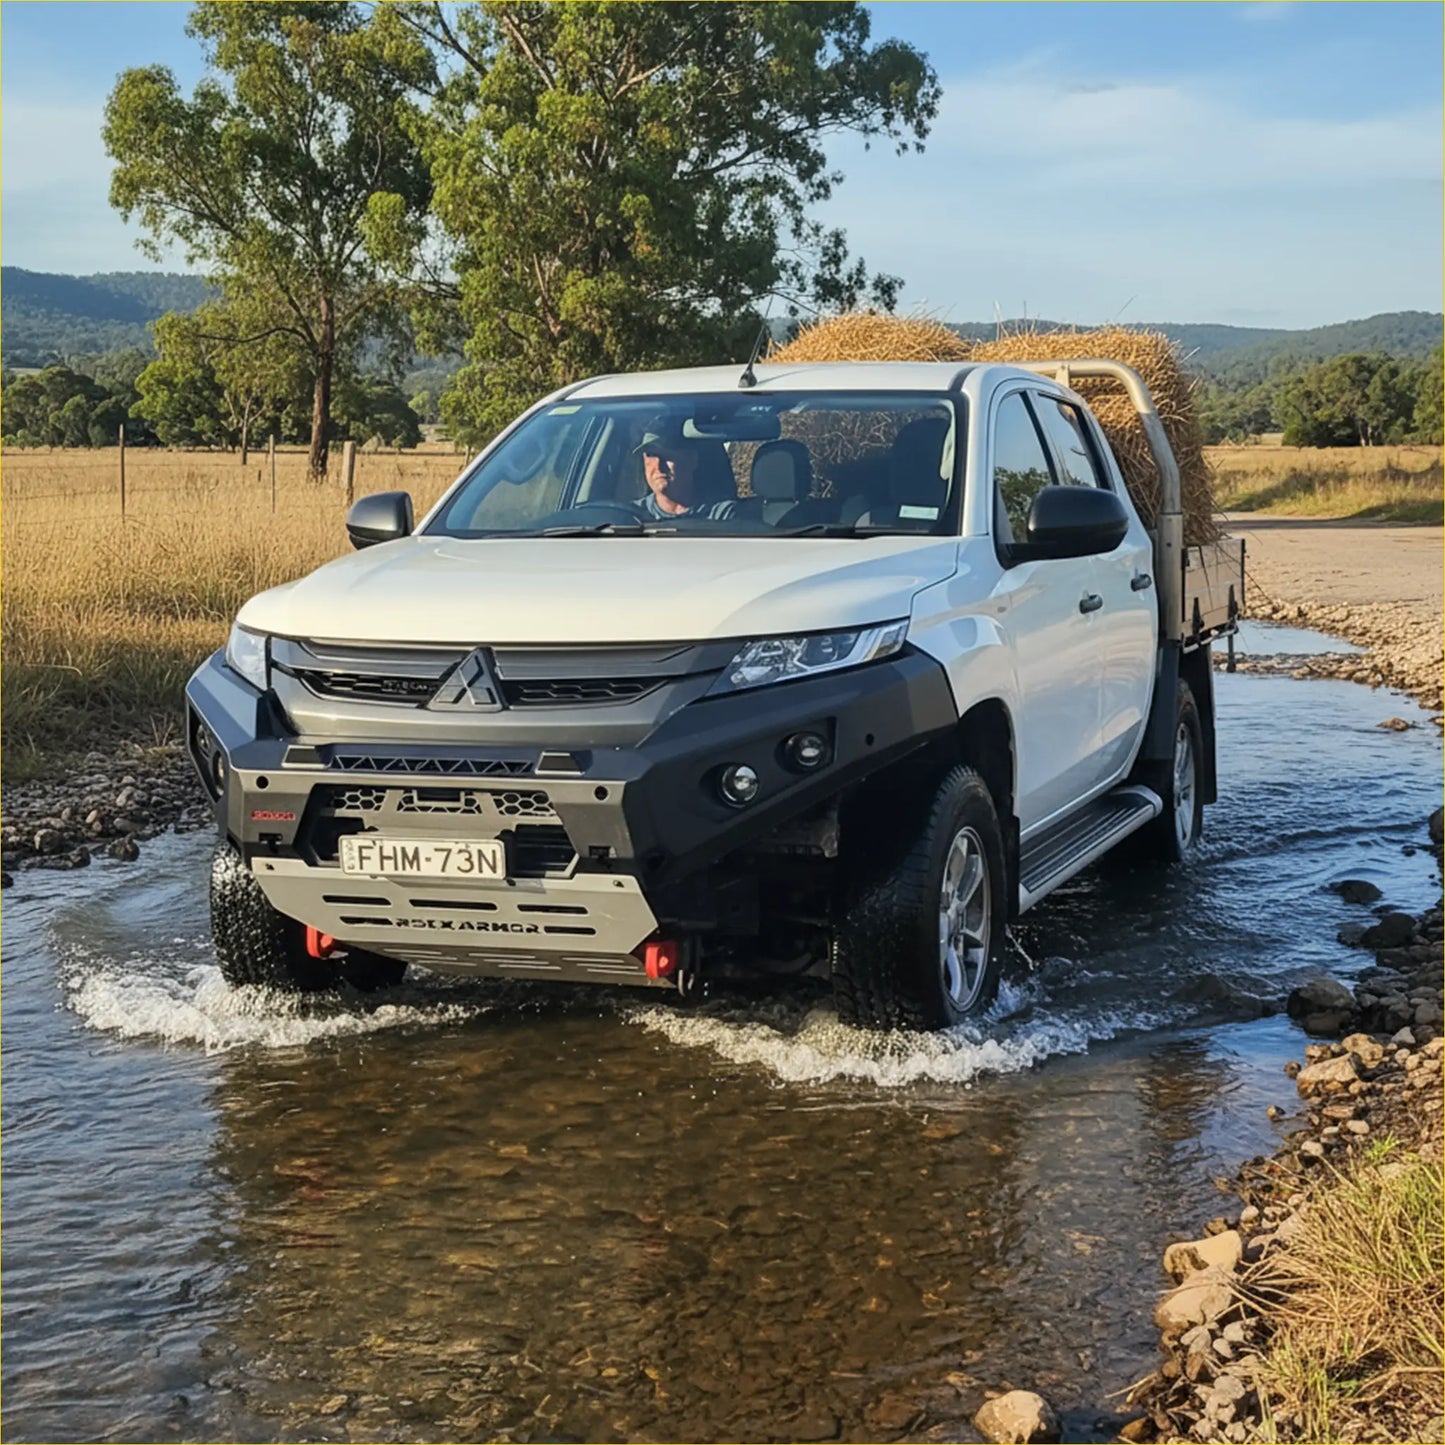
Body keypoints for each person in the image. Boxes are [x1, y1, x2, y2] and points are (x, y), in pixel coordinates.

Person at [632, 419, 737, 520]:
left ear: (691, 460)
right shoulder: (629, 519)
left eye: (667, 454)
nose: (659, 466)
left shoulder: (725, 516)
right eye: (651, 455)